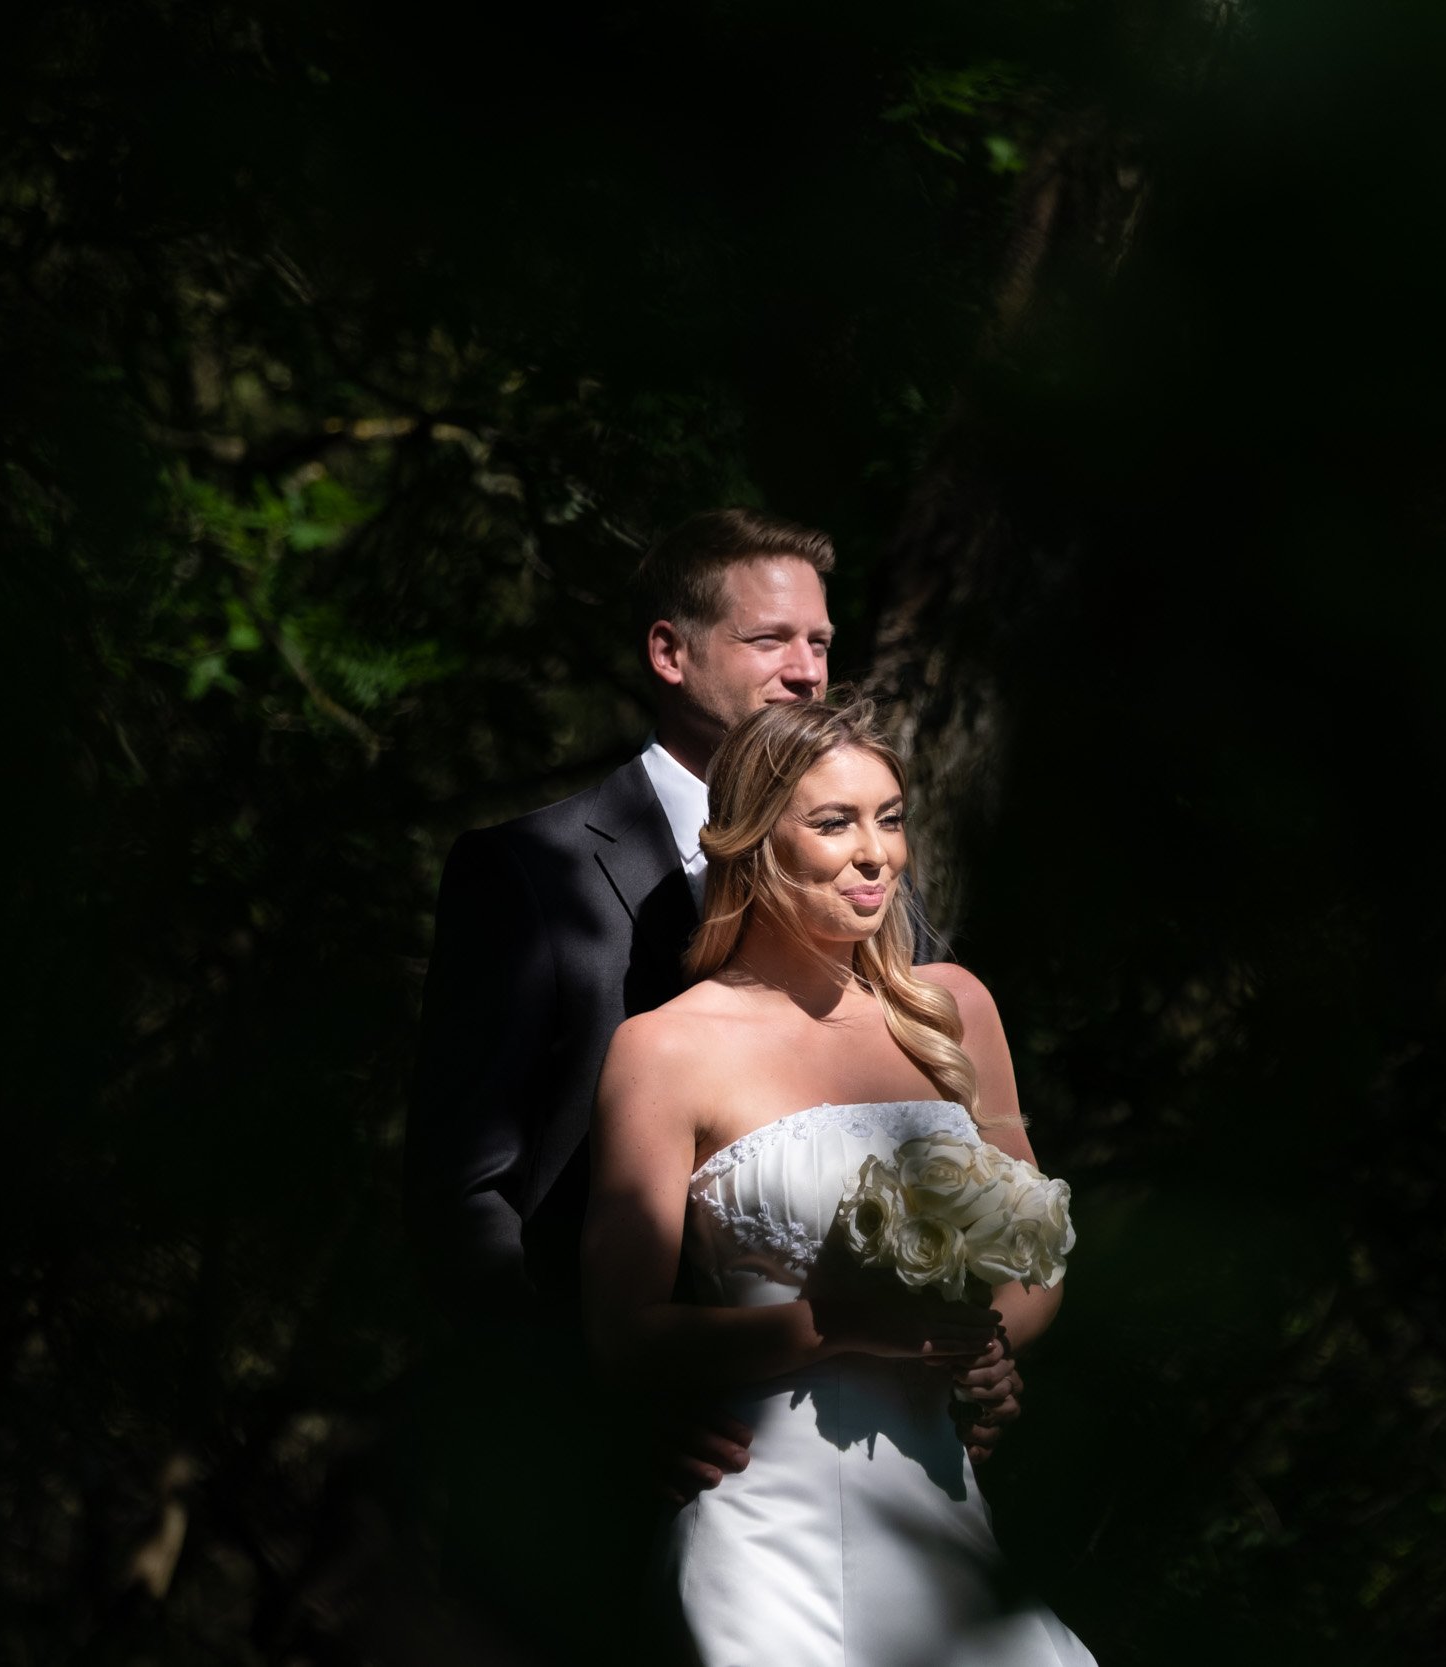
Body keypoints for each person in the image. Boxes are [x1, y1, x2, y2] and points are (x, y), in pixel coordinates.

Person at [406, 508, 1016, 1504]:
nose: (806, 670)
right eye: (769, 638)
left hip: (867, 1449)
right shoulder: (526, 871)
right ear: (668, 653)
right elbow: (462, 1195)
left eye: (820, 641)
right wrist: (603, 1396)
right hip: (605, 1465)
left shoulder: (866, 883)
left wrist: (972, 1340)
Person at [583, 698, 1093, 1667]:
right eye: (833, 822)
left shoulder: (952, 1014)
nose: (875, 853)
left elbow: (1038, 1256)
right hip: (765, 1524)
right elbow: (623, 1330)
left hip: (938, 1503)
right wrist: (837, 1325)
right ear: (750, 840)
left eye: (889, 817)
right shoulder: (664, 1050)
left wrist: (988, 1340)